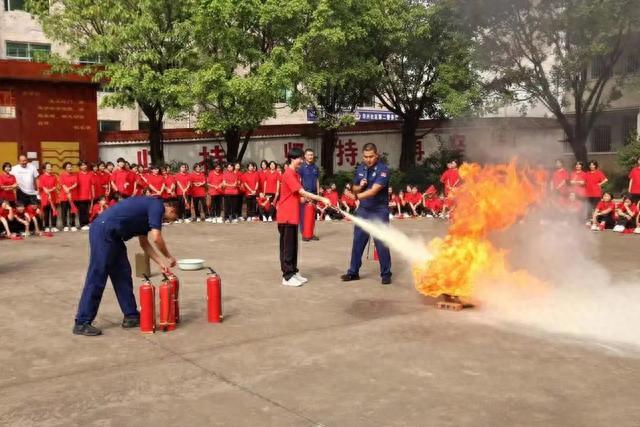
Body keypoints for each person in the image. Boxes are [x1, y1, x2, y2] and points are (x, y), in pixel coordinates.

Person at [73, 196, 179, 336]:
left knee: (122, 273)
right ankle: (82, 321)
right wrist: (169, 257)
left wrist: (161, 263)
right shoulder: (157, 206)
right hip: (103, 230)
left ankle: (131, 316)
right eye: (171, 218)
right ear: (171, 209)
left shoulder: (148, 212)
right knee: (98, 275)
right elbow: (156, 238)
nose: (167, 222)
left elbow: (144, 244)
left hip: (114, 236)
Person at [277, 147, 330, 287]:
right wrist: (322, 198)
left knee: (293, 246)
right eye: (300, 158)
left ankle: (293, 272)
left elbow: (298, 196)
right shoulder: (288, 173)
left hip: (293, 216)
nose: (302, 160)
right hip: (286, 216)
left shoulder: (295, 174)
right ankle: (287, 276)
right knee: (287, 247)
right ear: (293, 159)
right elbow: (302, 191)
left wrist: (310, 201)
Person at [341, 143, 392, 285]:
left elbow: (374, 190)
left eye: (371, 157)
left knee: (381, 243)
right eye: (365, 157)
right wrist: (359, 187)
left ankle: (386, 273)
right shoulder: (361, 168)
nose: (368, 159)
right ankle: (353, 272)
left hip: (379, 211)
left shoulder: (383, 170)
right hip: (363, 211)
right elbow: (355, 188)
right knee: (358, 242)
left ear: (377, 155)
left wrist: (357, 197)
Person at [299, 149, 320, 241]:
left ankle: (311, 233)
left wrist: (318, 194)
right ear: (305, 156)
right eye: (309, 155)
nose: (310, 156)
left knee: (312, 215)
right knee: (304, 214)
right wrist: (301, 195)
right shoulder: (301, 168)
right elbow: (299, 181)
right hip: (305, 194)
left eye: (312, 155)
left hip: (314, 194)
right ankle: (304, 234)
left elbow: (317, 180)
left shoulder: (315, 167)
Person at [38, 162, 59, 233]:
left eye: (50, 166)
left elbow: (56, 186)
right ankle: (46, 226)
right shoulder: (41, 177)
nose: (50, 168)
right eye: (48, 167)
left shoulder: (54, 176)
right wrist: (46, 190)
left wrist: (51, 189)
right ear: (44, 169)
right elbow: (42, 186)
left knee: (54, 211)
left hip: (53, 196)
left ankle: (54, 226)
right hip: (45, 197)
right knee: (46, 212)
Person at [59, 161, 79, 232]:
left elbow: (76, 184)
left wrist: (69, 188)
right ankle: (65, 225)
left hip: (73, 196)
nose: (70, 168)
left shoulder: (74, 175)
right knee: (64, 211)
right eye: (68, 167)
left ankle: (73, 224)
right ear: (65, 168)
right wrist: (66, 190)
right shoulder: (62, 175)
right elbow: (63, 184)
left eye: (70, 167)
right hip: (64, 196)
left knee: (72, 211)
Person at [76, 161, 95, 230]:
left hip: (89, 195)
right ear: (80, 167)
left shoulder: (90, 174)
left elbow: (92, 184)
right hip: (80, 196)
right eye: (82, 165)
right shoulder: (77, 174)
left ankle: (87, 223)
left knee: (88, 210)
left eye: (85, 165)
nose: (84, 166)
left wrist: (93, 194)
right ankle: (82, 224)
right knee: (82, 210)